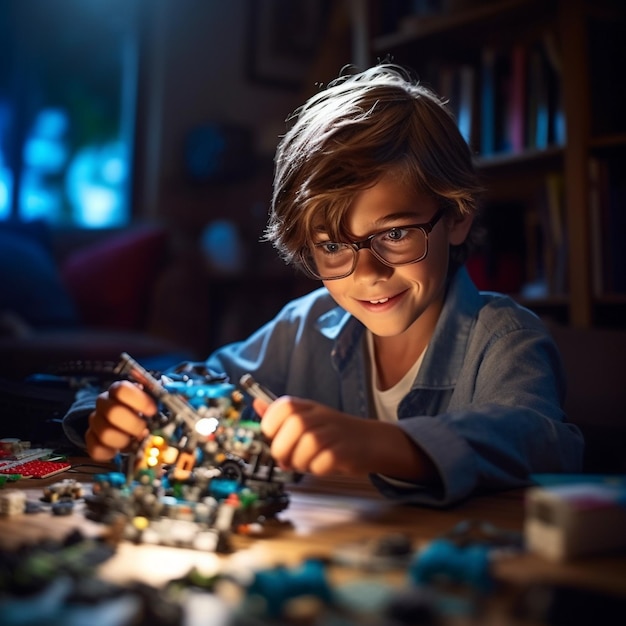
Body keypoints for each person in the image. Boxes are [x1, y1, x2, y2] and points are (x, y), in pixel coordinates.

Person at [63, 64, 583, 507]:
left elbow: (544, 442)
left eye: (396, 234)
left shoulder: (505, 336)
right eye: (334, 246)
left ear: (458, 217)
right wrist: (120, 412)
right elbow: (197, 386)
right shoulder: (306, 325)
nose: (368, 272)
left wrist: (388, 444)